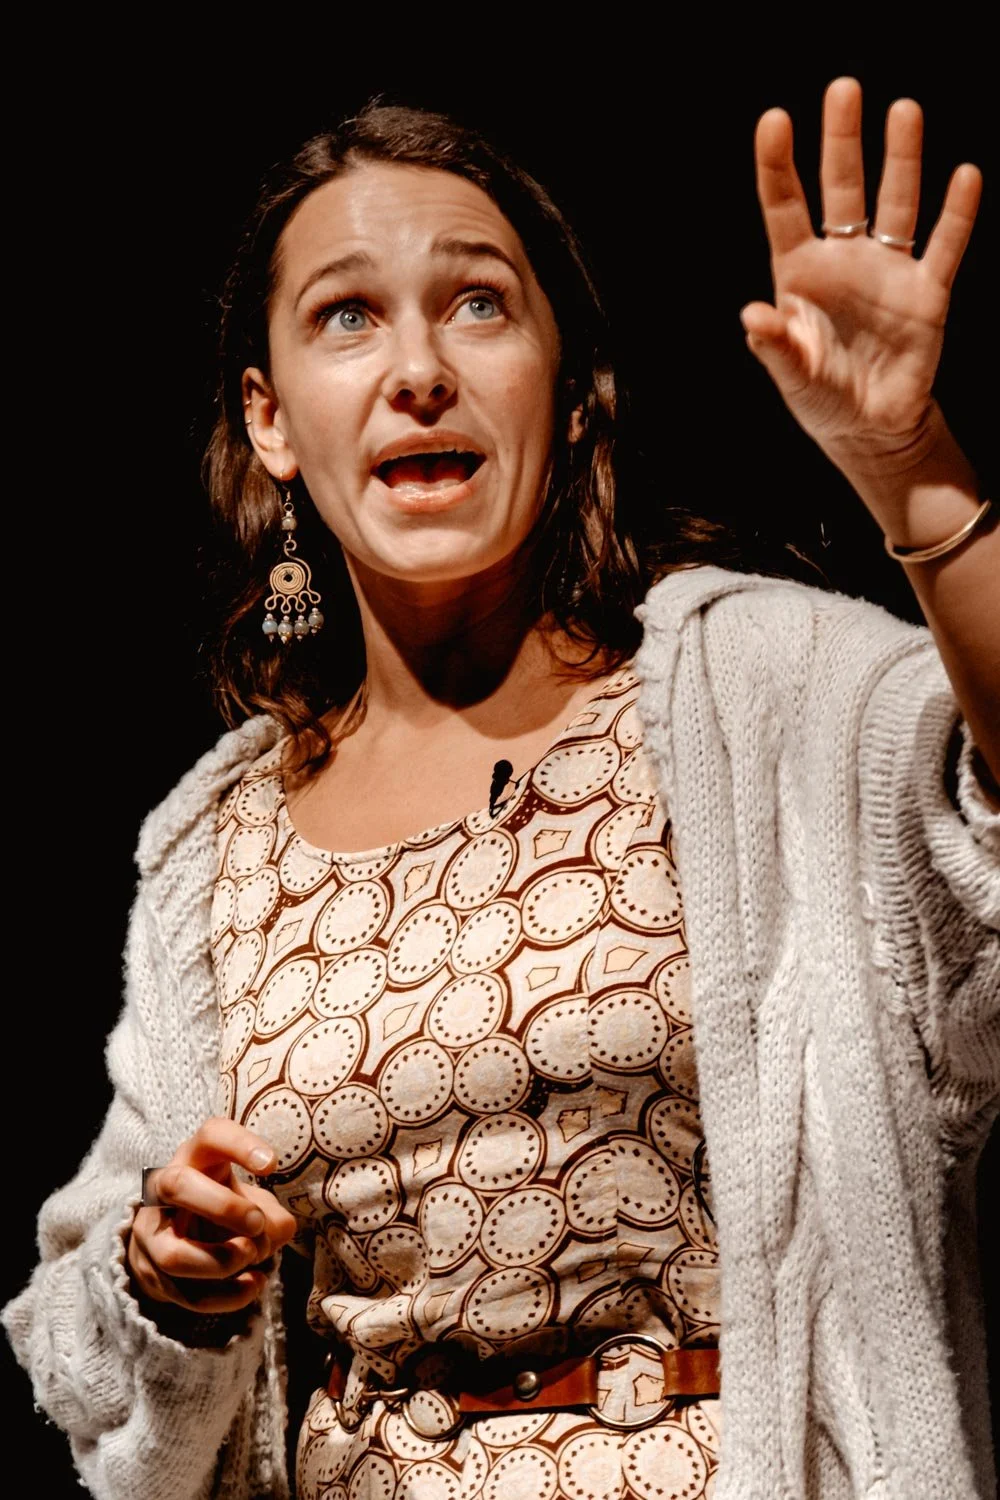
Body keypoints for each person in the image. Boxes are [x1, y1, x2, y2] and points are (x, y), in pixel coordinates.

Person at [3, 77, 997, 1500]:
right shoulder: (218, 846)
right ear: (272, 420)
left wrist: (914, 471)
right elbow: (83, 1326)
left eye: (478, 304)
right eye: (348, 316)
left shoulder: (767, 694)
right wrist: (167, 1278)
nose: (419, 368)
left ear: (569, 385)